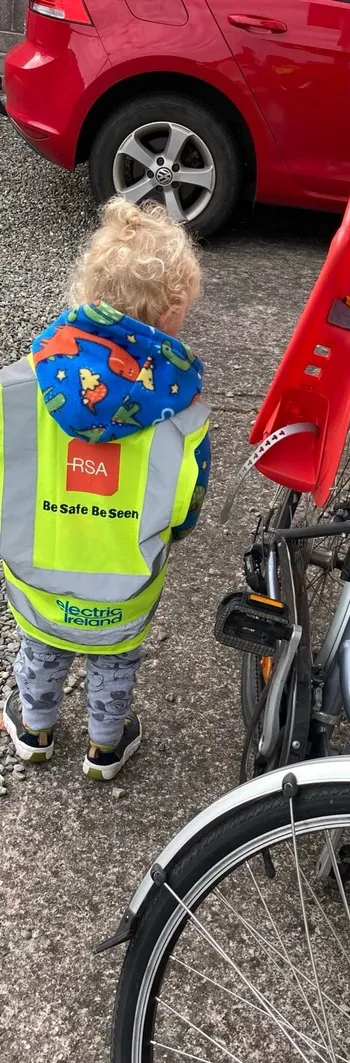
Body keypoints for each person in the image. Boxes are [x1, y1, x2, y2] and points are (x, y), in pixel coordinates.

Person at [0, 198, 210, 780]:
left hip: (38, 576)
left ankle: (35, 732)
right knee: (115, 664)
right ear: (172, 313)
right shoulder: (183, 413)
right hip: (125, 585)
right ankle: (105, 749)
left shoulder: (17, 387)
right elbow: (186, 508)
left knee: (40, 651)